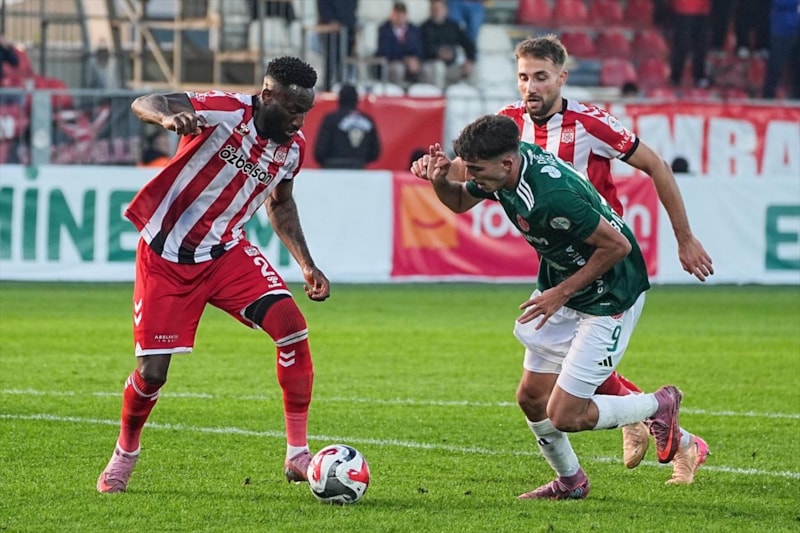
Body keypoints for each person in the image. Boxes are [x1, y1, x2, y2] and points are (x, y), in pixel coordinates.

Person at [410, 34, 714, 484]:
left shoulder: (589, 124)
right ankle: (590, 467)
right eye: (523, 77)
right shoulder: (507, 128)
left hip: (603, 261)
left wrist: (684, 238)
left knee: (569, 404)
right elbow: (464, 177)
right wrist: (435, 173)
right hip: (559, 262)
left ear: (561, 78)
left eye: (540, 77)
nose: (530, 87)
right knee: (535, 395)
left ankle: (647, 413)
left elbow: (655, 166)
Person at [96, 56, 330, 493]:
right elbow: (146, 101)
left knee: (292, 327)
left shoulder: (292, 150)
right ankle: (124, 453)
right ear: (267, 96)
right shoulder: (224, 109)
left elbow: (280, 204)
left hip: (225, 253)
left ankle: (298, 454)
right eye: (293, 109)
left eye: (306, 111)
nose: (299, 120)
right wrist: (168, 117)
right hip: (166, 257)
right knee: (153, 374)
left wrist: (305, 262)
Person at [314, 83, 381, 169]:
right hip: (359, 169)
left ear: (340, 99)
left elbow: (319, 151)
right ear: (356, 99)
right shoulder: (368, 120)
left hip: (332, 170)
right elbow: (375, 152)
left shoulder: (330, 119)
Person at [420, 0, 476, 88]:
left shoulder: (453, 26)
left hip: (451, 67)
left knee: (473, 68)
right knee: (439, 67)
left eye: (440, 8)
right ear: (430, 10)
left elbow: (468, 44)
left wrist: (470, 60)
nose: (437, 11)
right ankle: (438, 95)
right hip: (431, 66)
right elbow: (421, 50)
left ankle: (472, 95)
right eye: (435, 9)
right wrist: (437, 53)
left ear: (446, 10)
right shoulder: (424, 28)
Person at [375, 2, 423, 85]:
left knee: (426, 69)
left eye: (402, 15)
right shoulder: (384, 30)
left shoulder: (414, 30)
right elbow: (384, 51)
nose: (399, 17)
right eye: (397, 14)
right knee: (398, 68)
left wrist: (416, 60)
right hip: (392, 63)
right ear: (392, 14)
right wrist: (404, 59)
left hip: (411, 66)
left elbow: (419, 49)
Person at [668, 0, 711, 88]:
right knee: (684, 44)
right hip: (685, 8)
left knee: (698, 45)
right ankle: (677, 76)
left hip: (700, 9)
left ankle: (679, 77)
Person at [317, 0, 358, 91]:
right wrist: (330, 20)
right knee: (331, 60)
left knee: (346, 62)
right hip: (331, 30)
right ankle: (329, 88)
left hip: (348, 29)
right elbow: (323, 5)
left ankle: (344, 88)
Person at [762, 0, 800, 99]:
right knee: (776, 65)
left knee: (797, 66)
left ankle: (797, 96)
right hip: (782, 28)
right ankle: (768, 97)